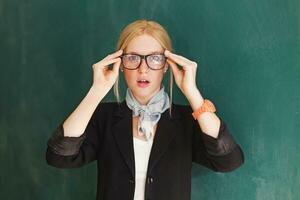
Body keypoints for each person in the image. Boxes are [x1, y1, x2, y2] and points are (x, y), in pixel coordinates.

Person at [46, 19, 244, 200]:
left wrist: (192, 92)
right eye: (132, 58)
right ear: (120, 63)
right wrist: (96, 91)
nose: (143, 69)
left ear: (167, 65)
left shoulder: (186, 121)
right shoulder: (104, 117)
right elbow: (59, 156)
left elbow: (228, 161)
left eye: (155, 58)